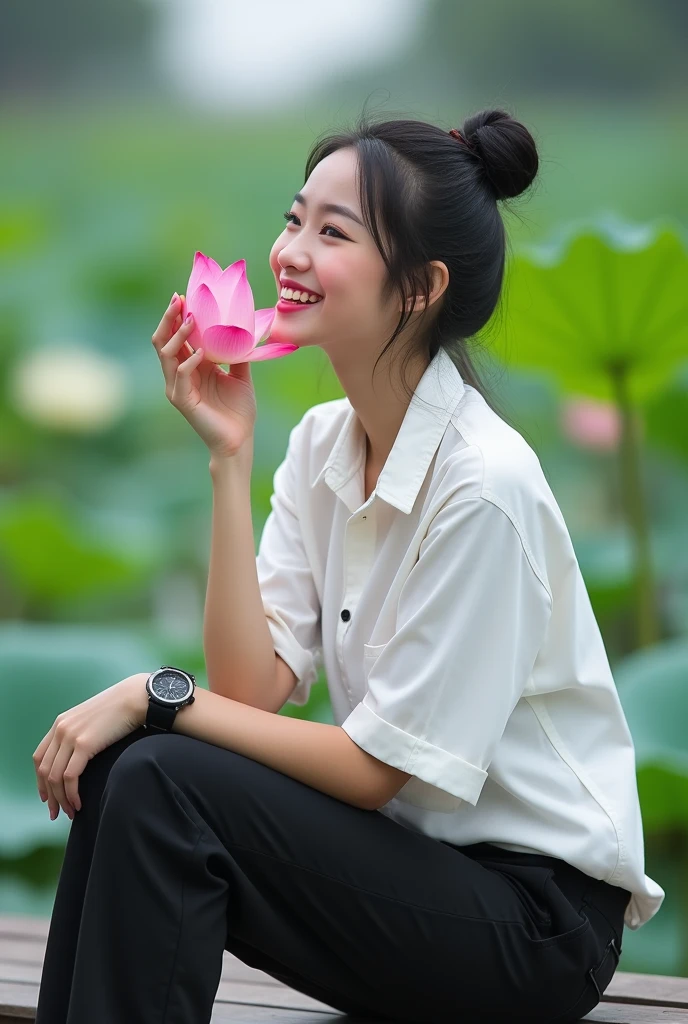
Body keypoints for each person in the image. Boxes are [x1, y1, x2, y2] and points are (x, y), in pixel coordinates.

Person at [34, 106, 664, 1024]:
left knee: (161, 765)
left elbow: (373, 771)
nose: (289, 251)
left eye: (333, 232)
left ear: (419, 286)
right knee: (133, 765)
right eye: (295, 219)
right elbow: (250, 691)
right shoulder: (324, 441)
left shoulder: (484, 488)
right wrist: (228, 459)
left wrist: (158, 694)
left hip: (536, 927)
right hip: (421, 878)